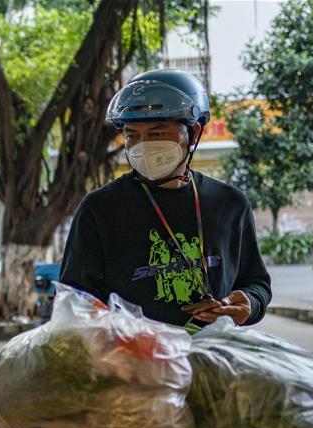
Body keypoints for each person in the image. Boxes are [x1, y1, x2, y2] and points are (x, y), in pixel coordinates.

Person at [60, 69, 272, 331]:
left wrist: (249, 304)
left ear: (193, 134)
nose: (143, 145)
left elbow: (256, 284)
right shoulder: (99, 210)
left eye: (157, 133)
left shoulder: (230, 204)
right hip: (133, 365)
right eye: (132, 135)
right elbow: (75, 302)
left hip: (212, 359)